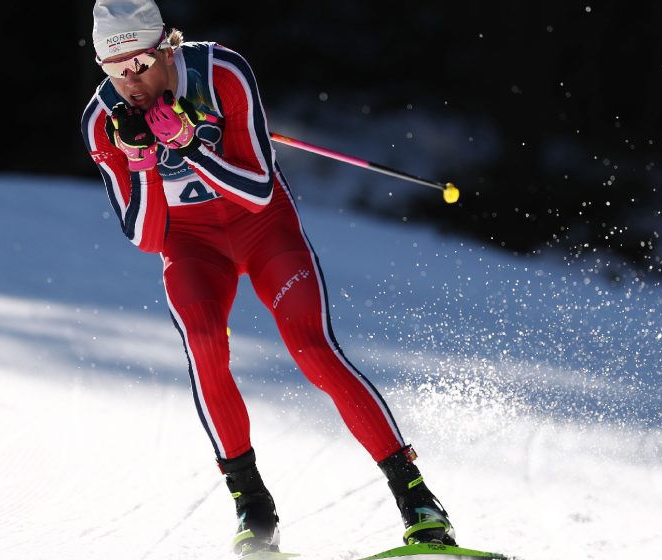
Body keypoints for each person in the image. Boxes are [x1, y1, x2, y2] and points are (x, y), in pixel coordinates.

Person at [80, 0, 457, 556]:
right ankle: (253, 509)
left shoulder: (221, 72)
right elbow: (146, 237)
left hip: (262, 228)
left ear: (167, 49)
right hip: (192, 244)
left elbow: (258, 190)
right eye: (115, 71)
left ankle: (417, 500)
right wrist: (140, 161)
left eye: (139, 64)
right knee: (205, 347)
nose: (130, 84)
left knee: (312, 348)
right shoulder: (103, 120)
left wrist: (189, 145)